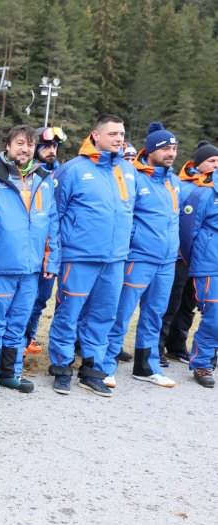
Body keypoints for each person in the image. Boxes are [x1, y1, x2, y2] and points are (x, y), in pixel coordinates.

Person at [48, 115, 136, 396]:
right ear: (95, 136)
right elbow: (56, 215)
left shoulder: (127, 171)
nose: (119, 138)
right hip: (79, 257)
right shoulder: (73, 170)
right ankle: (62, 368)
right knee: (69, 313)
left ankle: (92, 370)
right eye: (112, 133)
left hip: (114, 260)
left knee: (103, 316)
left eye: (121, 134)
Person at [0, 125, 59, 395]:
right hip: (1, 268)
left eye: (30, 145)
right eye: (20, 143)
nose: (25, 149)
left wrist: (51, 260)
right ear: (7, 146)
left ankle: (10, 371)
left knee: (19, 322)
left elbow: (52, 223)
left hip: (31, 268)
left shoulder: (44, 180)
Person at [103, 123, 180, 389]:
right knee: (120, 313)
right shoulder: (134, 177)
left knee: (154, 314)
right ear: (150, 151)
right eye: (165, 149)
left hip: (166, 261)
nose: (171, 153)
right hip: (138, 258)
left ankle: (146, 367)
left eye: (174, 148)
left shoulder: (174, 181)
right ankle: (106, 365)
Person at [161, 140, 218, 363]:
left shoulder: (212, 187)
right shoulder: (184, 185)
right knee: (171, 302)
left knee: (189, 304)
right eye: (211, 161)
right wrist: (186, 254)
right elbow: (184, 225)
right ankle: (159, 347)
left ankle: (177, 345)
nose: (216, 165)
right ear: (198, 163)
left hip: (201, 258)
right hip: (180, 255)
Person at [24, 126, 68, 355]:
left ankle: (29, 336)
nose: (51, 151)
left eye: (54, 147)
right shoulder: (28, 175)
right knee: (23, 299)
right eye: (47, 147)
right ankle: (15, 340)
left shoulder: (62, 174)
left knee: (42, 298)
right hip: (28, 248)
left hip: (52, 248)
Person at [179, 173, 218, 388]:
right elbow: (186, 233)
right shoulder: (203, 194)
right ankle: (202, 363)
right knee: (215, 317)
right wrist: (196, 260)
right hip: (209, 266)